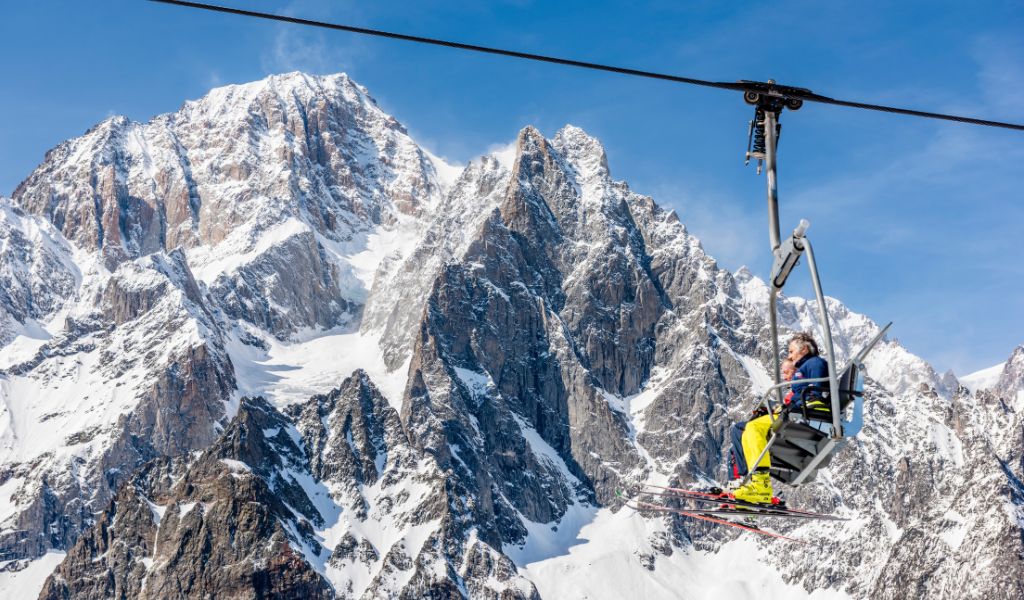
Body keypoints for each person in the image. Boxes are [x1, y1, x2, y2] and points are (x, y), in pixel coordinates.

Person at [727, 332, 829, 504]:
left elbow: (817, 389)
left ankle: (760, 485)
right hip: (797, 411)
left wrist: (798, 405)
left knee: (752, 428)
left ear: (803, 349)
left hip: (803, 413)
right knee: (744, 430)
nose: (789, 356)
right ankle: (750, 485)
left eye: (791, 351)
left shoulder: (815, 363)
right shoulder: (805, 367)